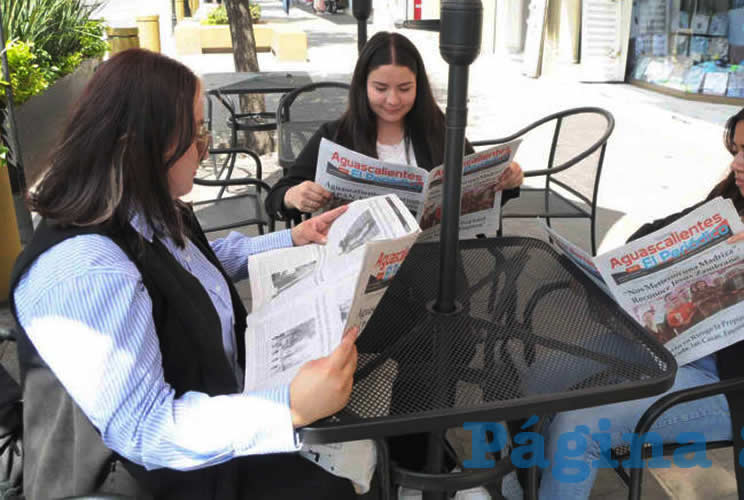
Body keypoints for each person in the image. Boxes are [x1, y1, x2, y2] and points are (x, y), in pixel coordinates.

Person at [9, 49, 359, 499]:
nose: (205, 146)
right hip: (155, 478)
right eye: (194, 133)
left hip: (214, 431)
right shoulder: (88, 268)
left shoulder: (141, 208)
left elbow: (199, 263)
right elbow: (146, 429)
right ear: (141, 147)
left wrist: (293, 239)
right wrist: (287, 407)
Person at [535, 94, 744, 499]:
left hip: (735, 386)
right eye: (736, 152)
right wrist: (623, 265)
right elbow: (659, 231)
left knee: (578, 425)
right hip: (667, 343)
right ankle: (514, 488)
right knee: (540, 379)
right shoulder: (738, 196)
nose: (737, 164)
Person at [265, 31, 523, 221]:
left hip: (431, 265)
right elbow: (275, 199)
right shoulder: (334, 137)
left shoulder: (439, 130)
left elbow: (479, 191)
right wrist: (293, 196)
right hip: (355, 269)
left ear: (418, 87)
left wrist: (508, 181)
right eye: (380, 88)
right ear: (362, 86)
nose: (392, 100)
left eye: (404, 88)